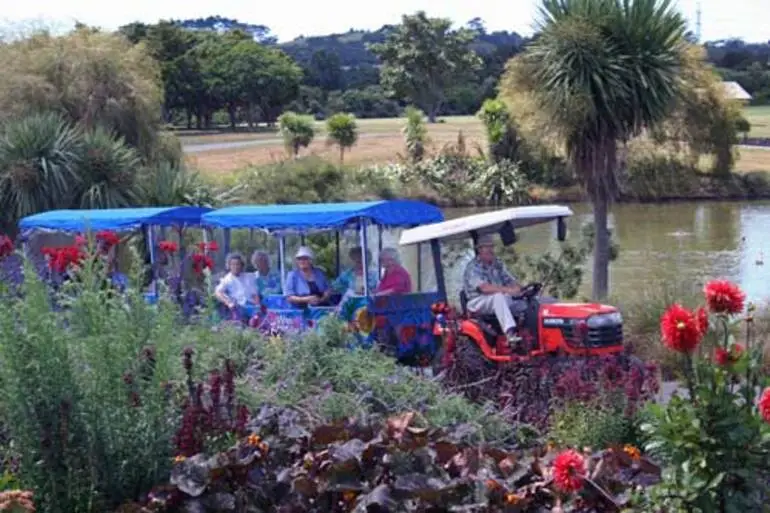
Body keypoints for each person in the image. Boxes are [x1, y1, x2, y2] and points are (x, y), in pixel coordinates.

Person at [462, 234, 525, 355]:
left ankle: (529, 333)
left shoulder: (497, 264)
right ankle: (510, 333)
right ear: (479, 249)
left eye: (492, 246)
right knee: (499, 297)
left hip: (496, 299)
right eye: (487, 247)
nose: (491, 249)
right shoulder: (473, 267)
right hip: (477, 301)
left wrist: (520, 289)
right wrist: (508, 290)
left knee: (524, 302)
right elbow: (484, 288)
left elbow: (511, 281)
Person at [214, 252, 259, 319]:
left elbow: (254, 294)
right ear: (229, 266)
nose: (235, 267)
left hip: (251, 306)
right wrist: (228, 303)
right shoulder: (227, 279)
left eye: (238, 264)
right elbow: (218, 292)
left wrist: (257, 306)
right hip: (238, 307)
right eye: (233, 264)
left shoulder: (248, 277)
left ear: (242, 265)